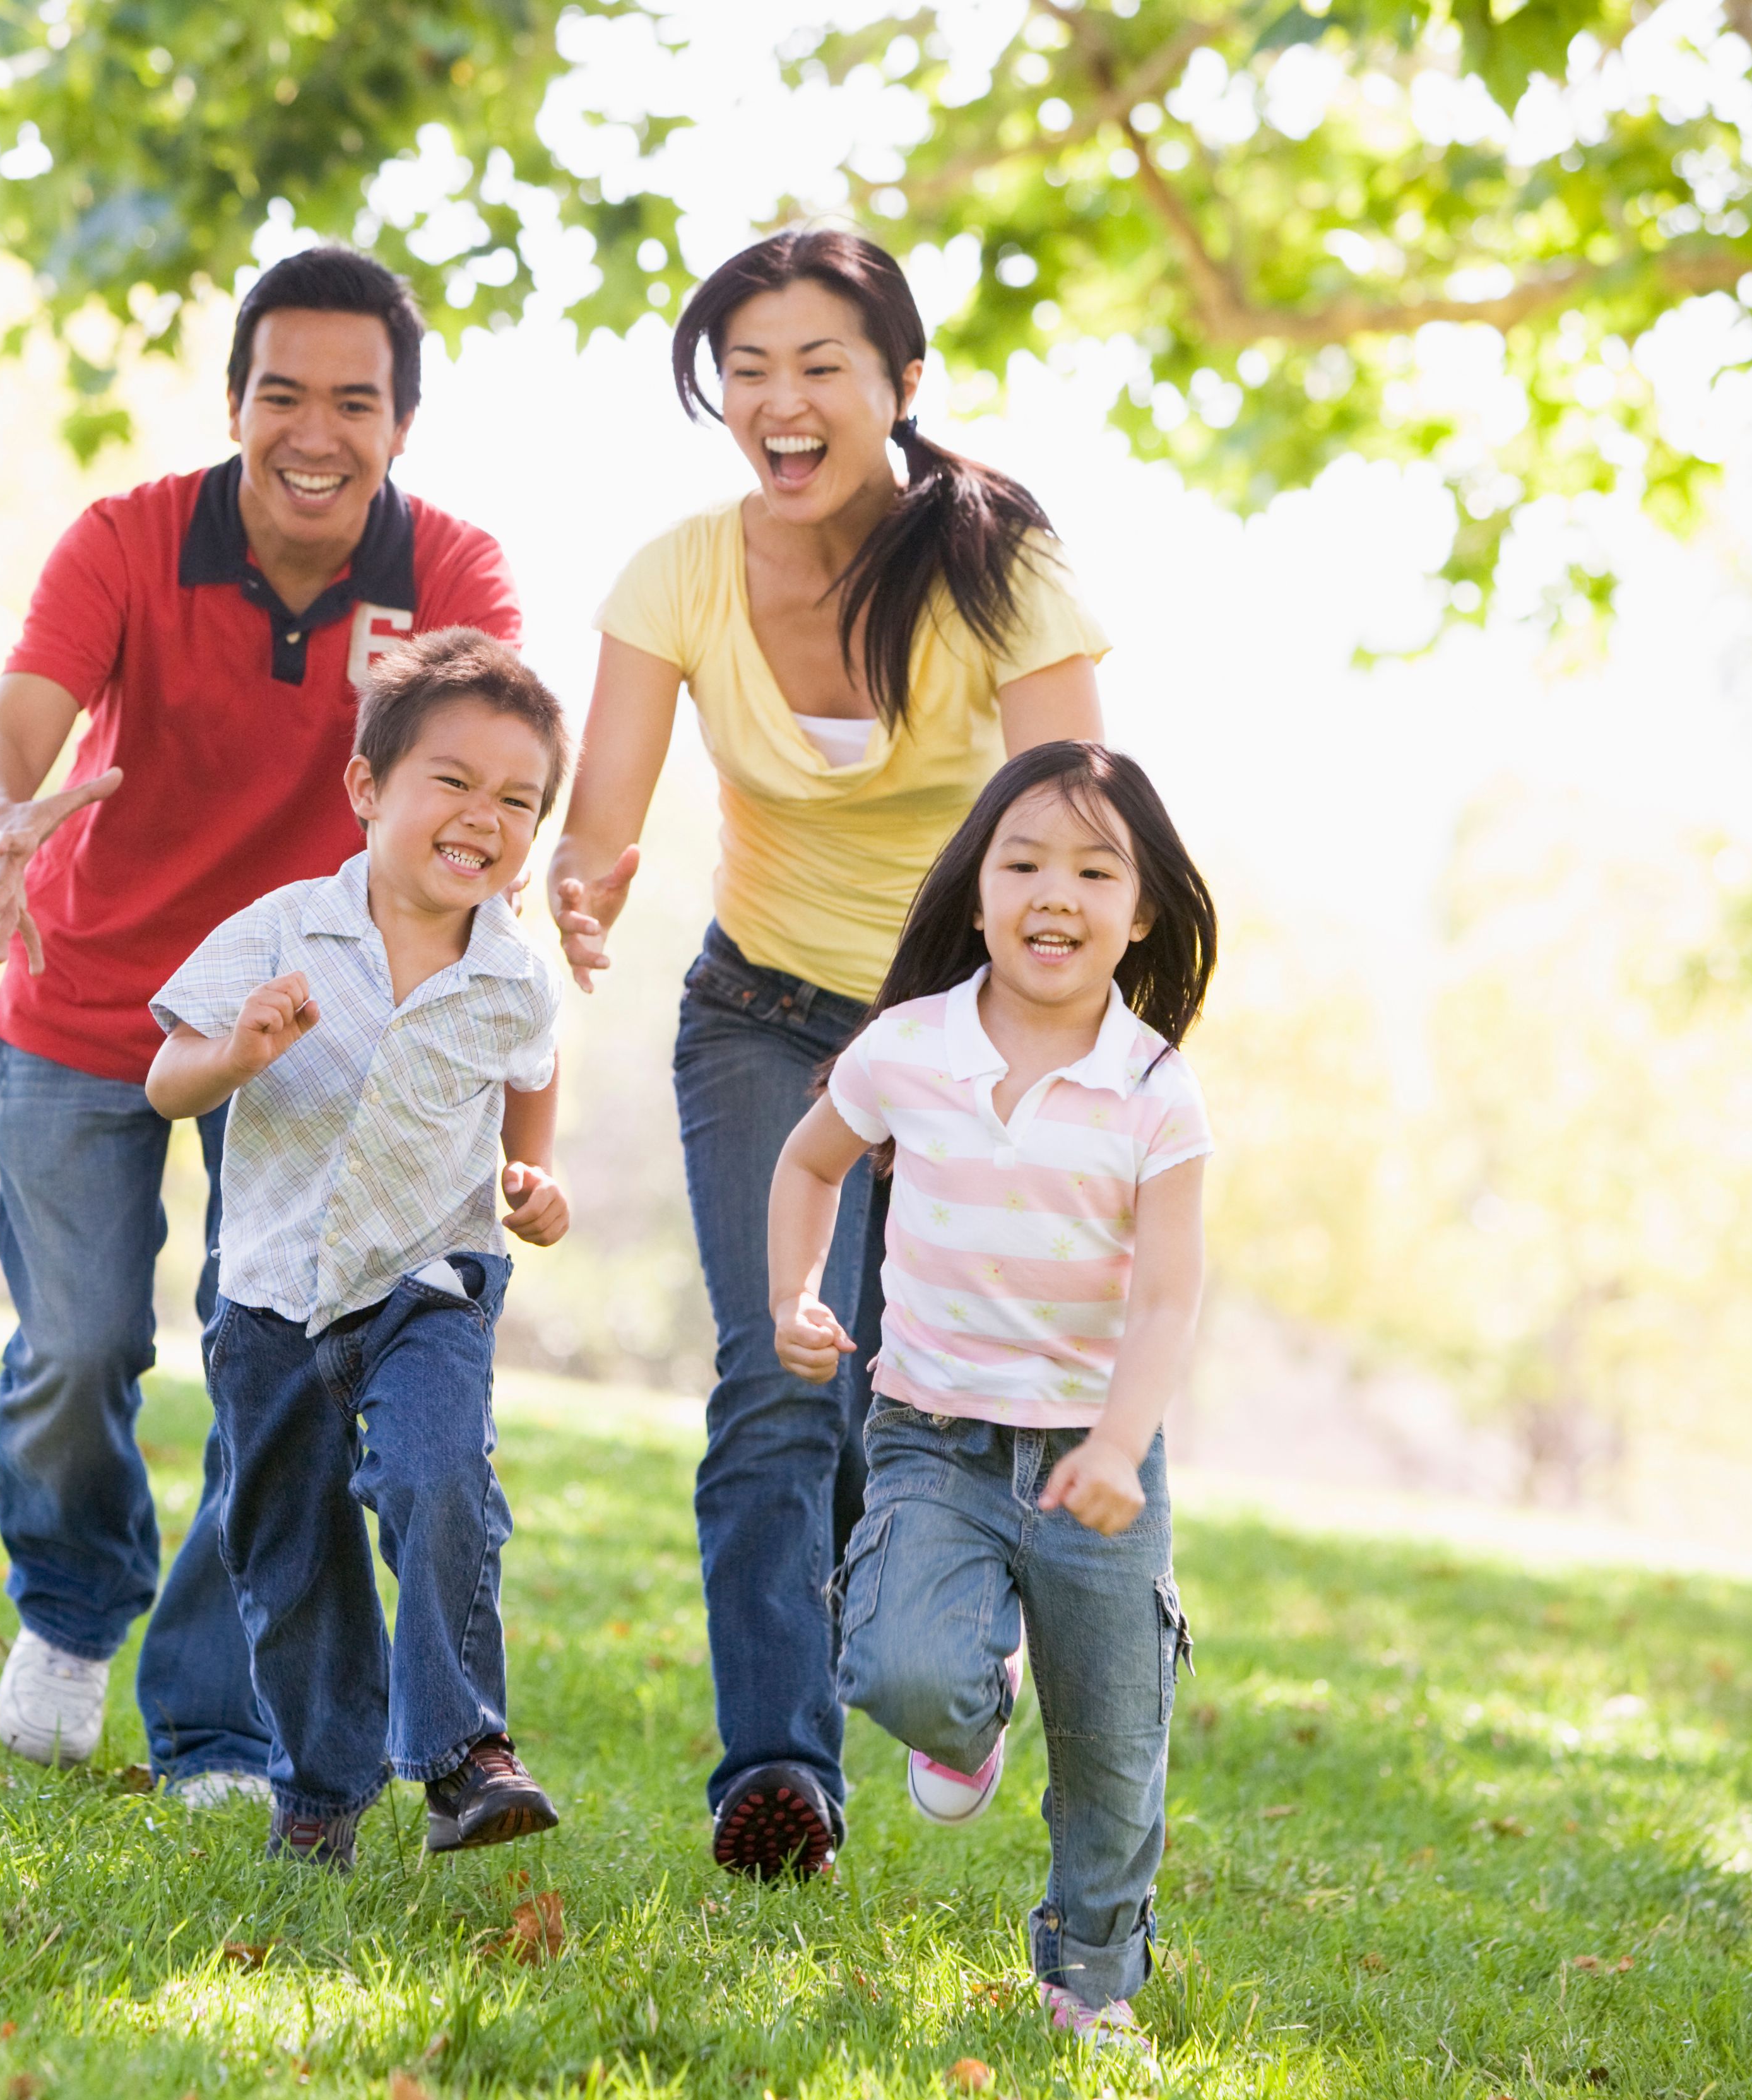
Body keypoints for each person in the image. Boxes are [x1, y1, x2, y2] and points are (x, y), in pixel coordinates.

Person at [544, 226, 1110, 1876]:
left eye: (819, 368)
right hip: (763, 1021)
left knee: (905, 1406)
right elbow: (606, 813)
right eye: (747, 372)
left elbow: (1078, 825)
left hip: (958, 1040)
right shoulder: (680, 572)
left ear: (900, 388)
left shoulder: (1006, 568)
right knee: (776, 1381)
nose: (779, 403)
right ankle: (774, 1778)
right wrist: (587, 888)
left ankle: (942, 1647)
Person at [0, 247, 523, 1800]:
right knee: (77, 1344)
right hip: (88, 996)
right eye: (283, 394)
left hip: (316, 1030)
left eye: (356, 400)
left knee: (268, 1367)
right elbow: (13, 724)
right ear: (234, 405)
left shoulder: (452, 573)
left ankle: (215, 1720)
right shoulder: (131, 540)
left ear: (401, 423)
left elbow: (489, 764)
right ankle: (73, 1603)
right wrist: (0, 816)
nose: (316, 432)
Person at [769, 740, 1216, 2048]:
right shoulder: (907, 1049)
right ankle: (966, 1712)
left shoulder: (1152, 1090)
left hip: (1098, 1459)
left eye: (1093, 867)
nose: (1053, 893)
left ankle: (1091, 1978)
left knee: (1115, 1742)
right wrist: (795, 1293)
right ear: (976, 891)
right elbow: (809, 1164)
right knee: (904, 1668)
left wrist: (1124, 1442)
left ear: (1140, 911)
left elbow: (1170, 1294)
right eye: (1022, 862)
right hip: (933, 1437)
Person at [145, 628, 574, 1869]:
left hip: (431, 1288)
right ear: (368, 789)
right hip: (275, 1303)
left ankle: (461, 1753)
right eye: (453, 779)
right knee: (291, 1556)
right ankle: (323, 1789)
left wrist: (532, 1179)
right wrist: (236, 1053)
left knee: (442, 1479)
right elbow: (167, 1080)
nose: (483, 815)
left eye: (517, 799)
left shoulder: (512, 977)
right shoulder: (282, 933)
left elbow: (530, 1080)